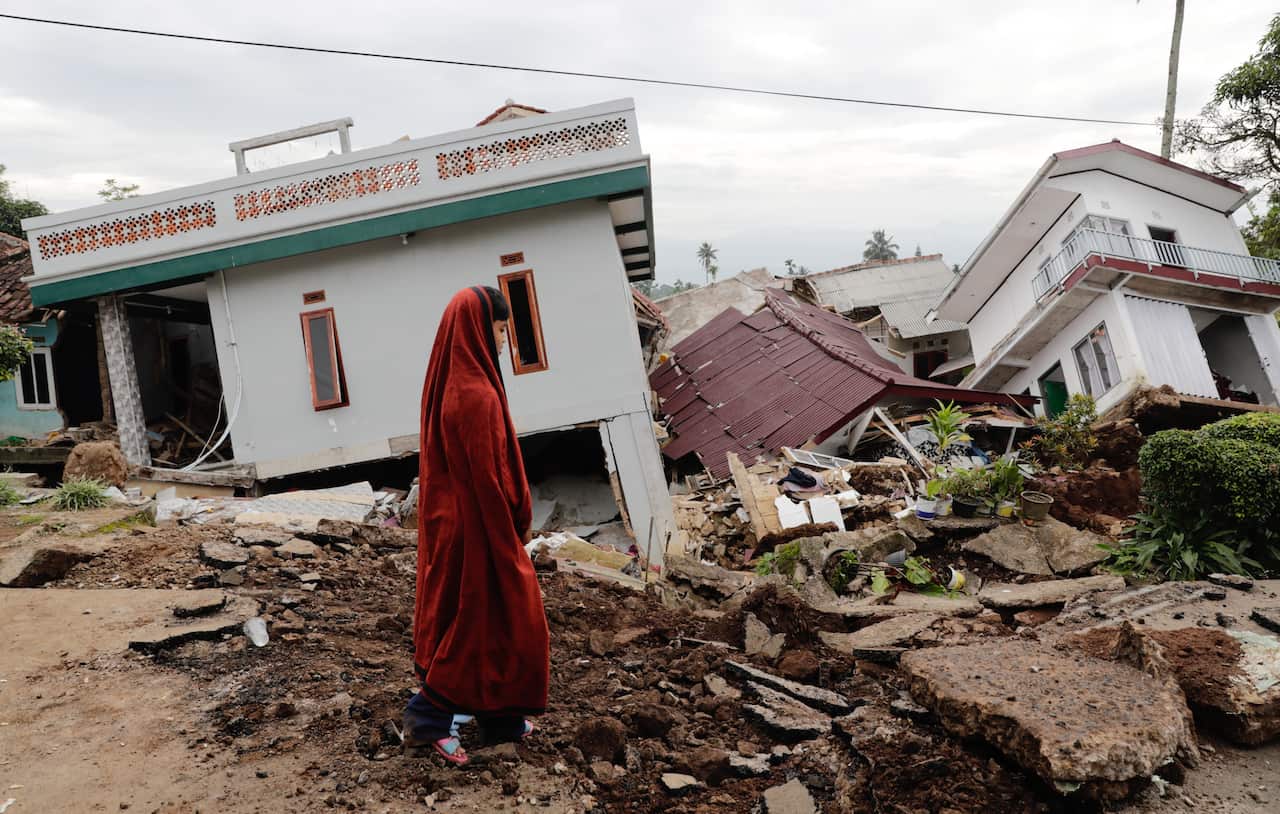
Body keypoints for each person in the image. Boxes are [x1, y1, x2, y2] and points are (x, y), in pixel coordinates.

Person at [402, 286, 550, 766]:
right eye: (501, 329)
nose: (505, 341)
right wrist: (517, 523)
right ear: (478, 330)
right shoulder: (478, 395)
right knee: (495, 621)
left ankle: (501, 717)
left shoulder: (446, 383)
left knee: (482, 618)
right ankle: (427, 718)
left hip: (454, 523)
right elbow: (496, 477)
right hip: (481, 528)